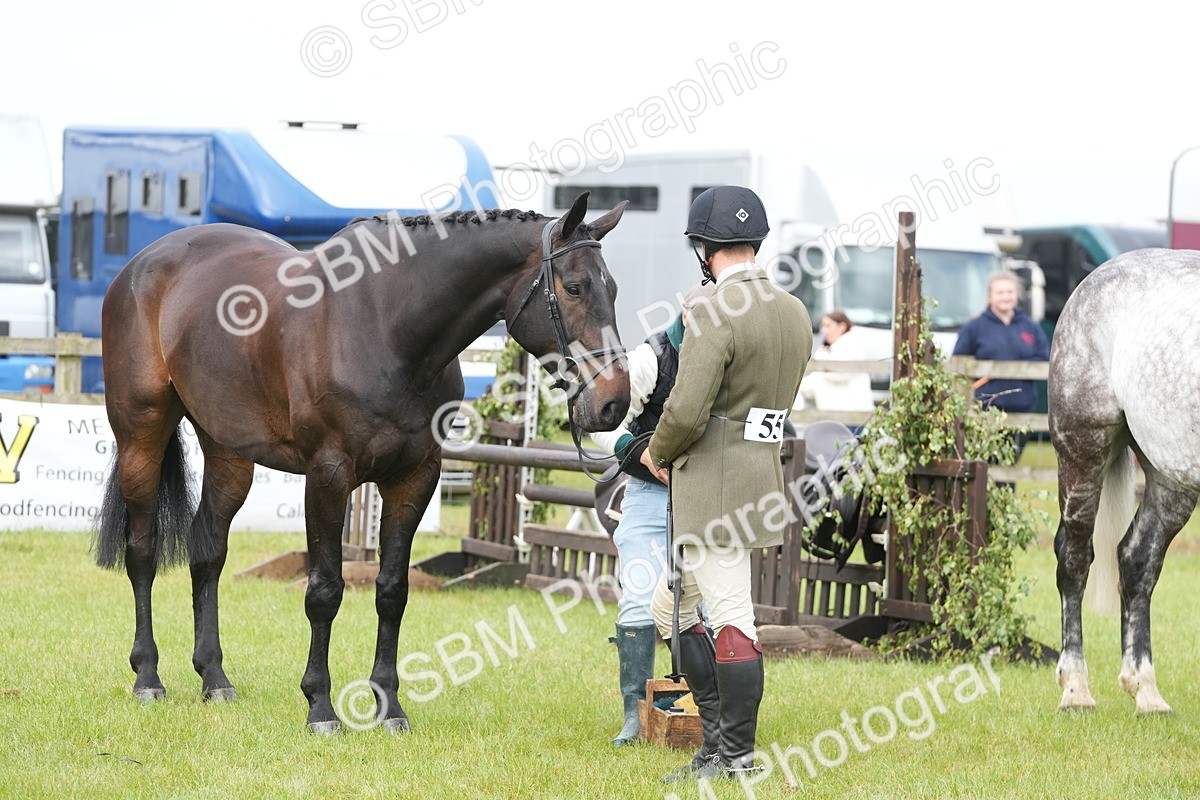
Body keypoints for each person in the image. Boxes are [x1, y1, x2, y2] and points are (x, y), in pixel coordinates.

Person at [647, 185, 812, 781]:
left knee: (731, 613)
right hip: (758, 474)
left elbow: (688, 410)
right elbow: (777, 402)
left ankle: (734, 755)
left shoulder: (713, 311)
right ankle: (715, 743)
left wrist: (656, 451)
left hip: (711, 482)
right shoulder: (794, 311)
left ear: (704, 249)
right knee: (671, 608)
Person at [589, 280, 716, 747]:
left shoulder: (728, 351)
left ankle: (703, 710)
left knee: (704, 602)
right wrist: (638, 453)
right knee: (640, 596)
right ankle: (634, 713)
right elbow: (603, 422)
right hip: (646, 493)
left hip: (704, 494)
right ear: (685, 318)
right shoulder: (650, 359)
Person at [952, 272, 1050, 453]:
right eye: (1000, 292)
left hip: (1022, 409)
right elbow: (958, 362)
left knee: (1011, 463)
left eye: (1009, 292)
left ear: (1017, 295)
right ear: (990, 296)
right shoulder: (975, 327)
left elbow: (1043, 358)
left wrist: (1017, 367)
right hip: (986, 410)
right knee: (987, 463)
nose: (1006, 297)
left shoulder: (1031, 327)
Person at [795, 309, 875, 413]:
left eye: (828, 326)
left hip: (851, 413)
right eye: (823, 326)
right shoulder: (832, 348)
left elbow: (839, 375)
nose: (824, 330)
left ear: (842, 326)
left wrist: (821, 357)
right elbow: (818, 379)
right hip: (837, 413)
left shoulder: (850, 344)